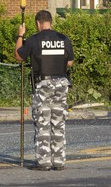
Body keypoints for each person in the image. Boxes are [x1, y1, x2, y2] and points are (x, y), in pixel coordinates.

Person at [14, 10, 74, 171]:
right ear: (50, 22)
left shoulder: (34, 40)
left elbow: (19, 56)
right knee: (58, 123)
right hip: (61, 84)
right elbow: (69, 63)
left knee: (42, 122)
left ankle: (44, 162)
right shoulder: (64, 39)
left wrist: (20, 36)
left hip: (43, 85)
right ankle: (59, 161)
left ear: (38, 23)